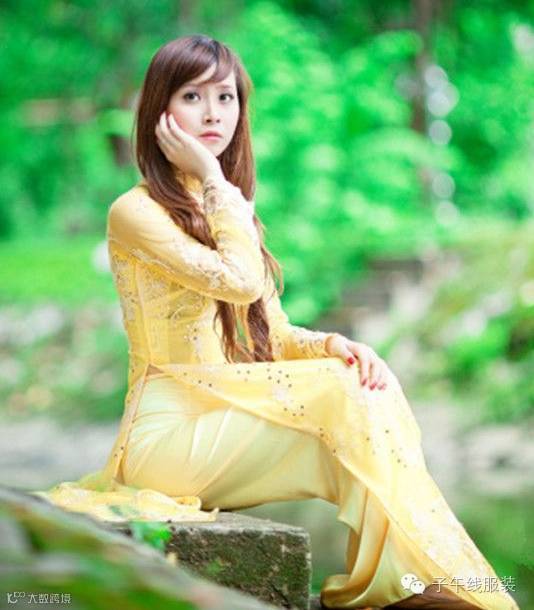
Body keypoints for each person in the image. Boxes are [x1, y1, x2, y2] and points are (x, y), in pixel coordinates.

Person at [30, 35, 519, 610]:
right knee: (341, 395)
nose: (213, 113)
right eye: (192, 96)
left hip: (226, 420)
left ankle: (404, 589)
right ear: (160, 112)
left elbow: (275, 334)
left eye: (226, 97)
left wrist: (337, 344)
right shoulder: (136, 212)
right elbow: (238, 281)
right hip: (166, 439)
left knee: (364, 392)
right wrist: (215, 179)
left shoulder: (226, 208)